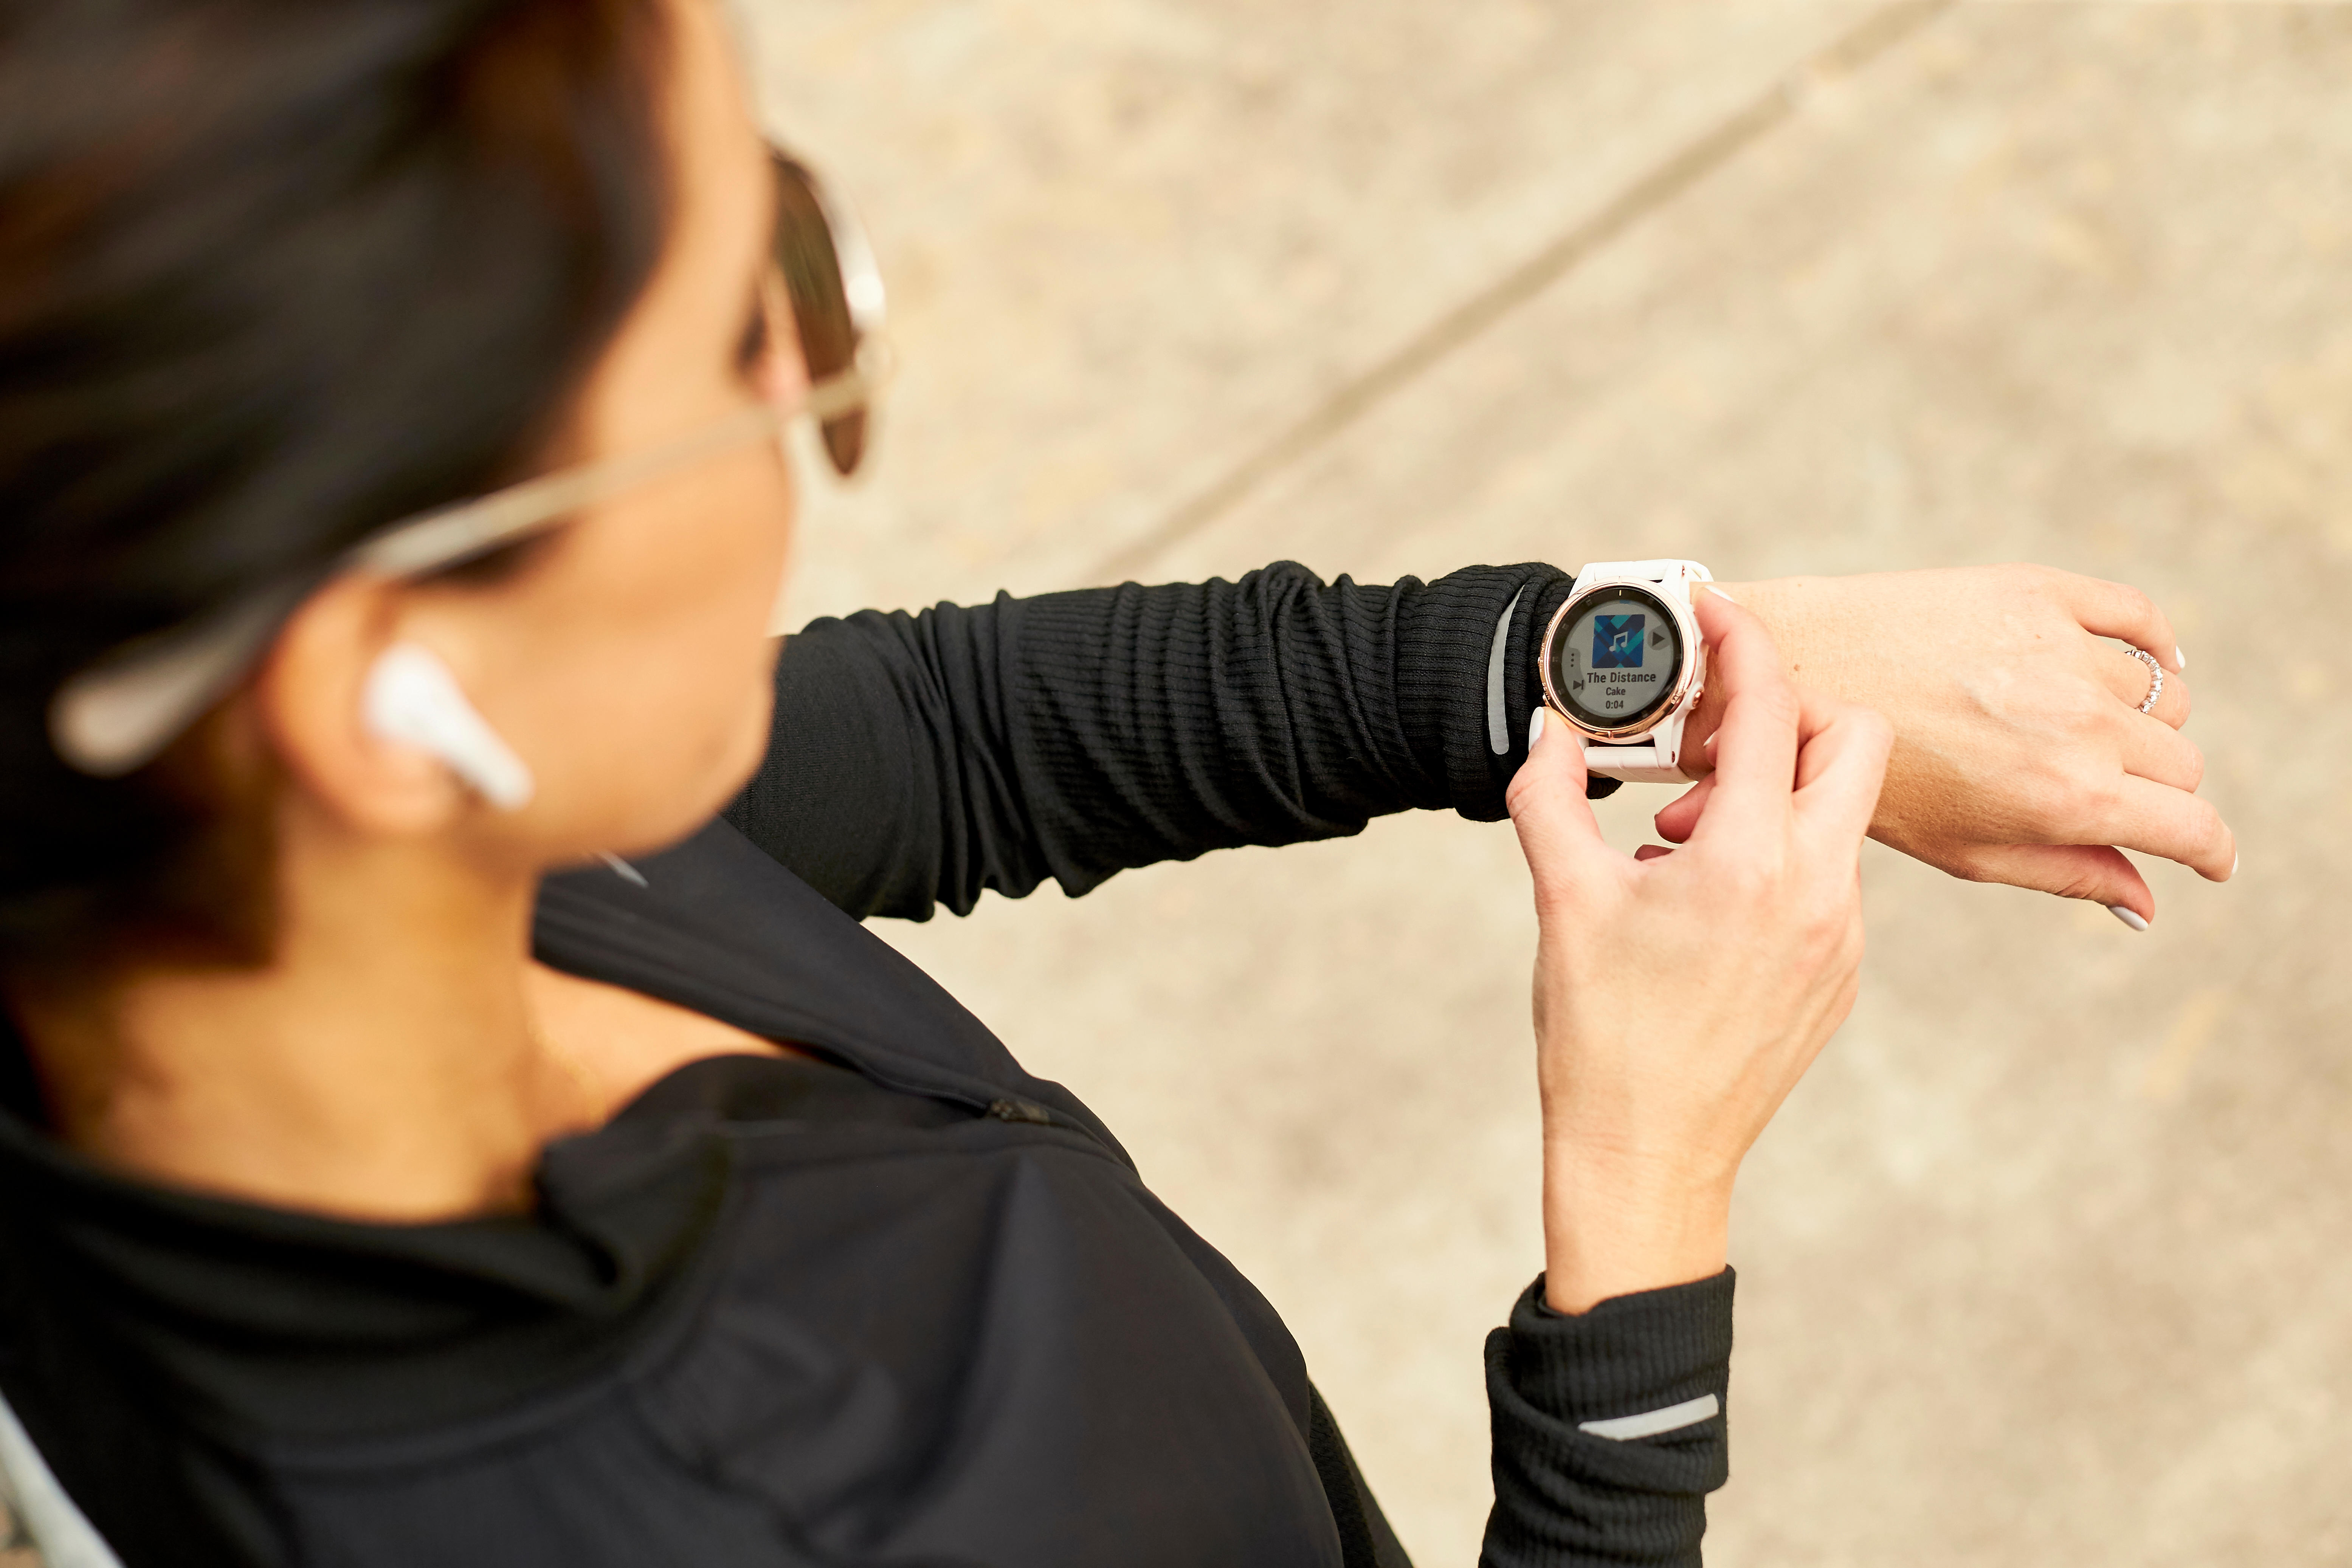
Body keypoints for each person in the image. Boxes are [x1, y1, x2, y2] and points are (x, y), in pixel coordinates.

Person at [0, 0, 2233, 1564]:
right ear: (385, 691)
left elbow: (972, 741)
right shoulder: (859, 1505)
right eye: (740, 331)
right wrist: (1641, 1211)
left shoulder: (265, 871)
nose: (806, 375)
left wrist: (1664, 662)